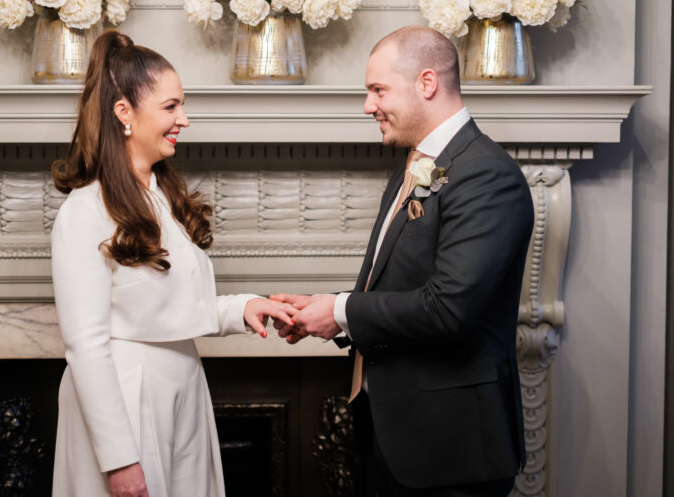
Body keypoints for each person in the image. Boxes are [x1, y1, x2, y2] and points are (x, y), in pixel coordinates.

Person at [272, 26, 533, 496]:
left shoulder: (488, 176)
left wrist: (338, 311)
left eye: (378, 90)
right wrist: (330, 313)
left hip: (452, 452)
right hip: (396, 437)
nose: (368, 105)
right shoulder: (416, 165)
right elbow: (394, 284)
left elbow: (448, 309)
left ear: (426, 83)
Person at [49, 30, 297, 497]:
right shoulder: (83, 212)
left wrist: (243, 307)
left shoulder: (163, 195)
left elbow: (174, 304)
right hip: (126, 398)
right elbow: (86, 344)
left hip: (181, 384)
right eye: (170, 107)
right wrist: (119, 458)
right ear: (124, 112)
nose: (183, 118)